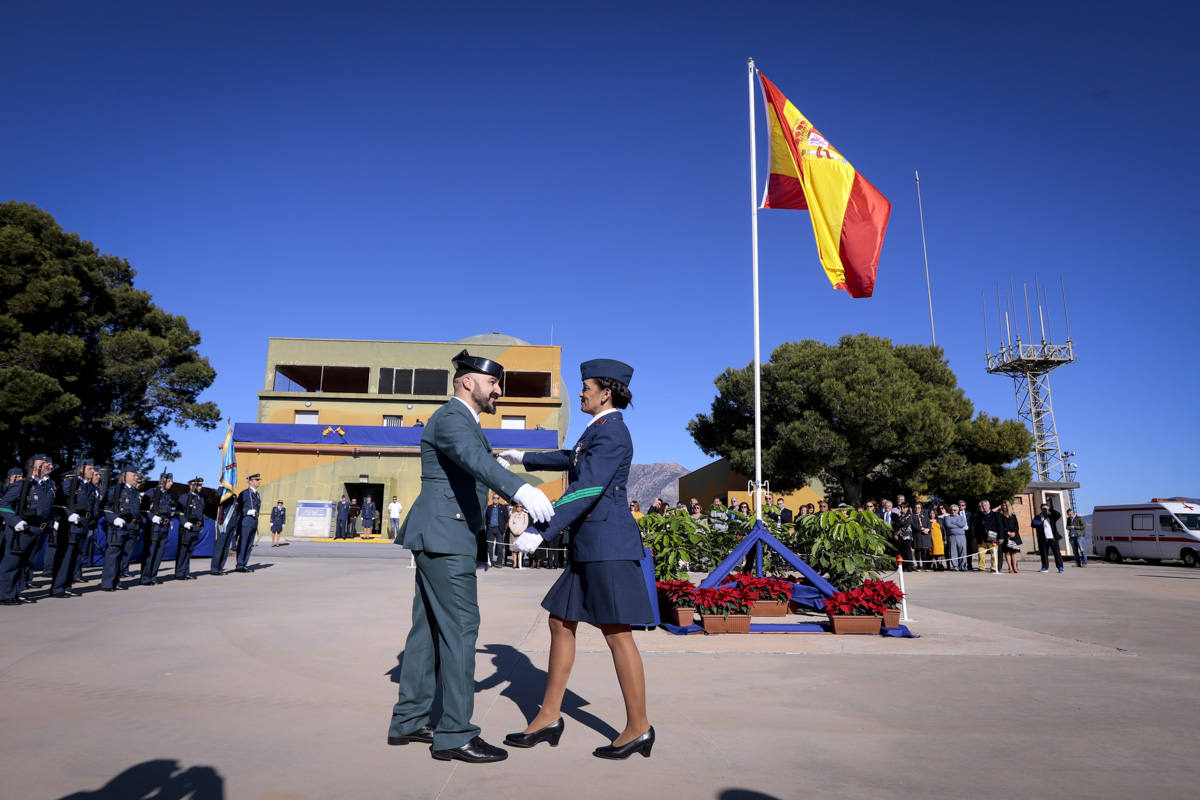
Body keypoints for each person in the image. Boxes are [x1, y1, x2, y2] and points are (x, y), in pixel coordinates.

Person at [386, 349, 554, 764]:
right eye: (493, 383)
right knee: (462, 628)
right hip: (446, 536)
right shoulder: (452, 418)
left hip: (441, 535)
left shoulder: (463, 424)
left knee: (426, 632)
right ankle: (455, 733)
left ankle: (409, 721)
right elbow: (473, 461)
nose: (498, 391)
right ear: (467, 382)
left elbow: (475, 461)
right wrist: (521, 488)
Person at [502, 358, 655, 760]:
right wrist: (523, 457)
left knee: (616, 632)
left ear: (606, 392)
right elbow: (572, 458)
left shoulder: (613, 433)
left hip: (607, 547)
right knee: (560, 621)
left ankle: (639, 727)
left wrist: (541, 531)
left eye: (586, 386)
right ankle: (549, 715)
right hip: (591, 546)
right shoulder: (599, 432)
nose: (581, 392)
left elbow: (586, 488)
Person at [52, 459, 97, 597]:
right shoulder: (70, 483)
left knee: (76, 558)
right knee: (66, 557)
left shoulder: (90, 487)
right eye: (90, 468)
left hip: (84, 524)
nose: (93, 471)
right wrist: (69, 514)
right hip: (70, 525)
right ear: (81, 469)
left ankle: (67, 586)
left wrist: (91, 525)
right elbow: (58, 502)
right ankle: (58, 588)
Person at [102, 467, 141, 591]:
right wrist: (114, 518)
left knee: (123, 556)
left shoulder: (135, 492)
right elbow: (105, 507)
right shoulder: (116, 490)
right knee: (113, 554)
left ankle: (116, 581)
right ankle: (108, 583)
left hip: (131, 527)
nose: (136, 477)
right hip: (118, 527)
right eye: (133, 475)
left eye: (136, 475)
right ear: (125, 476)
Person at [176, 477, 206, 579]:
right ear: (191, 486)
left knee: (189, 551)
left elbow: (201, 513)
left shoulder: (200, 498)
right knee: (183, 551)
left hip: (195, 528)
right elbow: (179, 512)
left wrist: (201, 525)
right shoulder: (184, 497)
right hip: (187, 528)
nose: (200, 487)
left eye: (201, 485)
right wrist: (184, 523)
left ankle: (186, 572)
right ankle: (180, 573)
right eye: (198, 485)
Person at [234, 474, 262, 572]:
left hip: (254, 522)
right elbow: (239, 507)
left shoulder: (256, 494)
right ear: (250, 481)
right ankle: (240, 565)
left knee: (249, 545)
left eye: (259, 479)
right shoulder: (245, 493)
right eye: (256, 480)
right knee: (243, 543)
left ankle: (244, 564)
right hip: (246, 521)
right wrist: (247, 511)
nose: (259, 481)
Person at [1033, 502, 1065, 573]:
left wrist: (1050, 509)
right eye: (1043, 509)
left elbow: (1059, 515)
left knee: (1057, 553)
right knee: (1044, 554)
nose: (1044, 510)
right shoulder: (1038, 516)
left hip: (1053, 538)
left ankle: (1060, 567)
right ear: (1041, 509)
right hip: (1043, 539)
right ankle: (1044, 567)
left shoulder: (1051, 516)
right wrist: (1041, 524)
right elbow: (1033, 524)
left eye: (1045, 508)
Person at [973, 500, 1003, 573]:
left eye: (985, 505)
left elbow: (1000, 526)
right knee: (981, 553)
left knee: (993, 553)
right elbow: (976, 527)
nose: (983, 507)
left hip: (992, 537)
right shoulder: (979, 515)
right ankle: (982, 567)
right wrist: (976, 537)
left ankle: (993, 568)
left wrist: (1001, 537)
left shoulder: (996, 514)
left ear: (989, 506)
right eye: (982, 506)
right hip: (982, 538)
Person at [941, 503, 968, 571]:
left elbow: (963, 524)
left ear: (958, 510)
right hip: (951, 537)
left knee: (963, 552)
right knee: (953, 552)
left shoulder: (961, 517)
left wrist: (954, 523)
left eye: (955, 510)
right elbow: (948, 525)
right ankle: (955, 566)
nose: (953, 511)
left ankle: (963, 566)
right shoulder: (947, 517)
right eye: (951, 510)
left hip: (961, 536)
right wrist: (958, 525)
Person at [485, 494, 510, 567]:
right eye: (494, 498)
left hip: (499, 529)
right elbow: (486, 518)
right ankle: (490, 562)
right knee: (489, 547)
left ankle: (499, 562)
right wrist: (488, 526)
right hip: (491, 529)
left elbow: (506, 518)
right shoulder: (489, 508)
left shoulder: (503, 507)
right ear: (492, 499)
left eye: (497, 498)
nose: (495, 499)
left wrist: (502, 526)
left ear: (499, 499)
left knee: (499, 546)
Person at [999, 500, 1022, 574]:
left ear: (1008, 506)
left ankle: (1015, 567)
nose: (1003, 506)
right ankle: (1010, 568)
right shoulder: (1000, 515)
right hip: (1005, 536)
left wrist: (1014, 532)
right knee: (1007, 552)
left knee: (1013, 552)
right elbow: (1001, 526)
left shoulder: (1013, 514)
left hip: (1014, 536)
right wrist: (1007, 532)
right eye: (1002, 505)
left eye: (1005, 505)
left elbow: (1016, 525)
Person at [507, 503, 529, 569]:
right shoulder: (513, 515)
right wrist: (514, 531)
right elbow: (510, 523)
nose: (519, 508)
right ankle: (515, 563)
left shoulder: (525, 515)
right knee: (514, 549)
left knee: (520, 549)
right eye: (517, 506)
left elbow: (525, 524)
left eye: (520, 506)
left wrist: (520, 532)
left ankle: (519, 563)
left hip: (521, 534)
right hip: (513, 533)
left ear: (522, 507)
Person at [913, 501, 932, 571]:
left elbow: (929, 523)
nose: (917, 509)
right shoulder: (912, 516)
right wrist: (922, 528)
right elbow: (914, 525)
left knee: (924, 551)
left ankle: (925, 565)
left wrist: (928, 529)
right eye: (916, 507)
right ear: (914, 508)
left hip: (925, 535)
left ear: (921, 509)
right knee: (917, 551)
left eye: (919, 508)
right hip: (917, 535)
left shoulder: (925, 515)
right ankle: (918, 565)